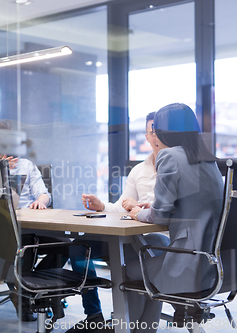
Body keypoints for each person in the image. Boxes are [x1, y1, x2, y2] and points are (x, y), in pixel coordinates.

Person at [125, 103, 223, 332]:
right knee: (147, 264)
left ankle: (136, 329)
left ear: (164, 132)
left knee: (128, 270)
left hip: (187, 263)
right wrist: (155, 206)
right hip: (212, 264)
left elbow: (159, 214)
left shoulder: (169, 156)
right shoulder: (209, 160)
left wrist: (140, 212)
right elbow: (194, 205)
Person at [67, 112, 159, 333]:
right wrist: (102, 206)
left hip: (155, 241)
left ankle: (129, 320)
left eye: (159, 131)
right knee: (79, 249)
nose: (156, 136)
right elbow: (122, 206)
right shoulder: (139, 170)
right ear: (146, 136)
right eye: (152, 131)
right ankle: (94, 314)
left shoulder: (176, 168)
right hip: (128, 238)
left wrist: (141, 207)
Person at [0, 120, 68, 322]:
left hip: (32, 222)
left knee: (64, 245)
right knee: (22, 245)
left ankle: (32, 290)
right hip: (5, 227)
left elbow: (45, 195)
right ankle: (25, 293)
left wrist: (40, 201)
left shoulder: (26, 165)